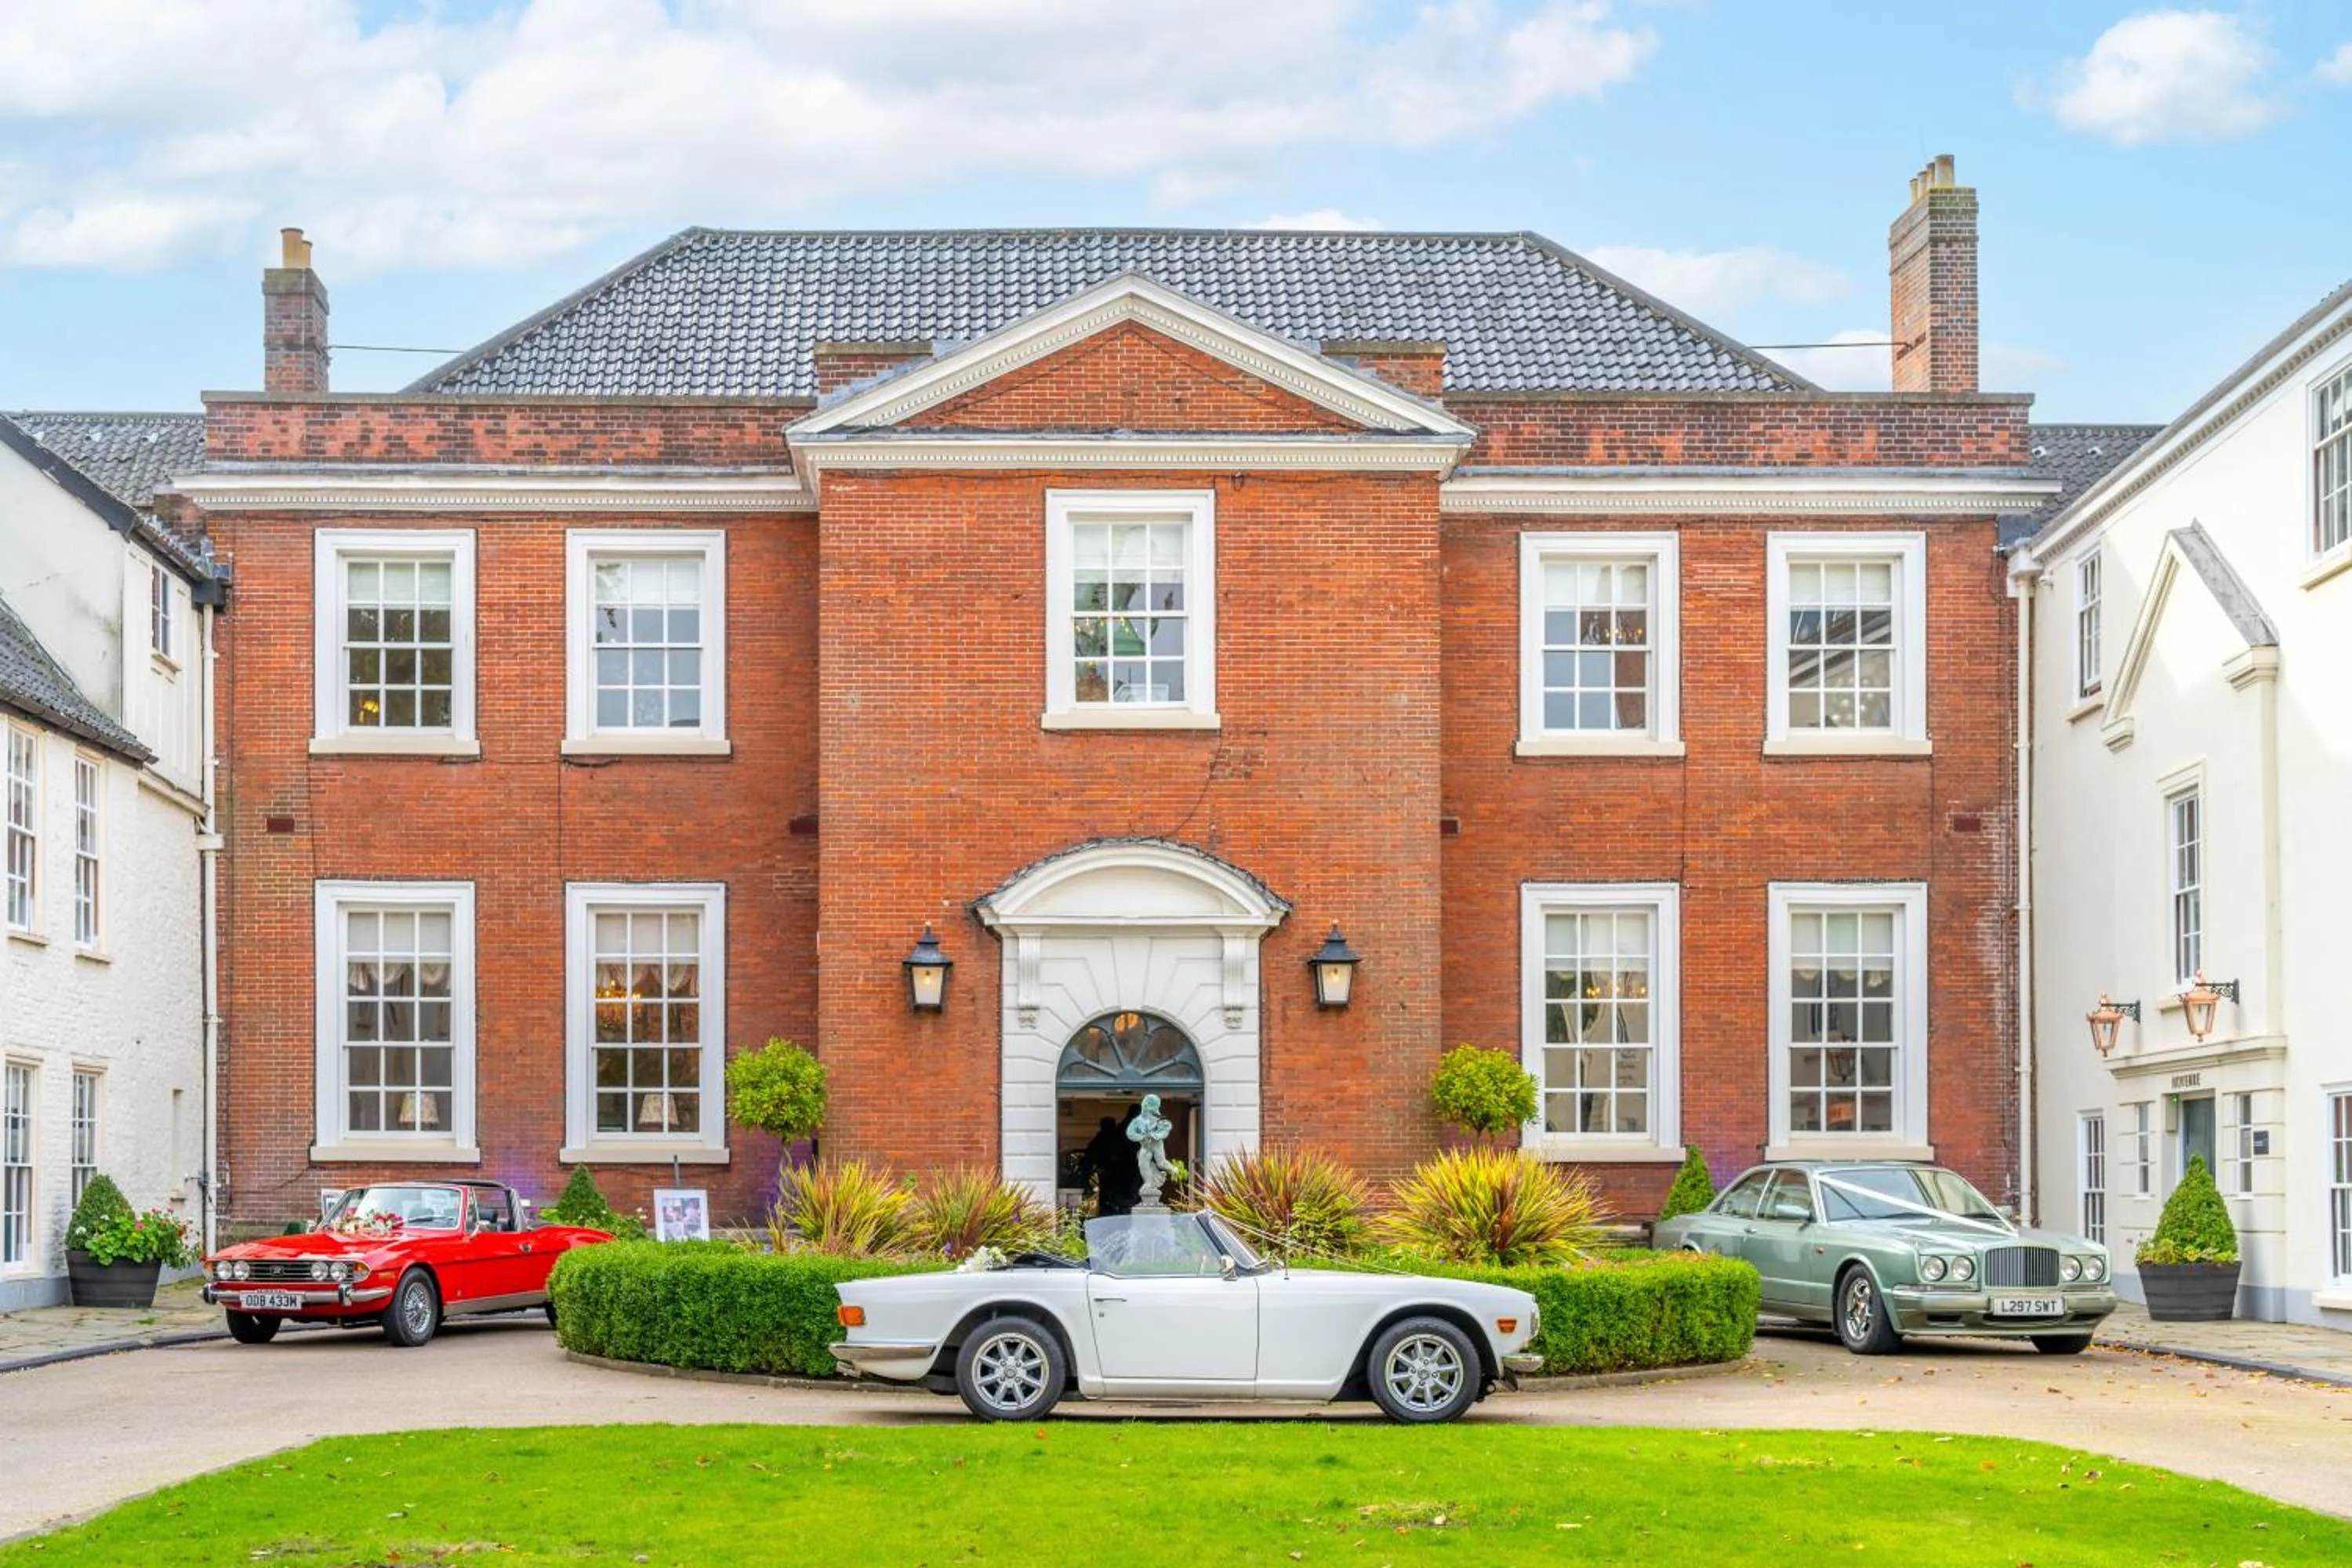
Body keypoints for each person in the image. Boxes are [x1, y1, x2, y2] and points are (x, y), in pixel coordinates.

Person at [1082, 1110, 1141, 1217]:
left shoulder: (1120, 1138)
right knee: (1109, 1205)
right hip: (1111, 1178)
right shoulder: (1100, 1141)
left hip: (1123, 1177)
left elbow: (1088, 1161)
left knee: (1116, 1204)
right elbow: (1088, 1161)